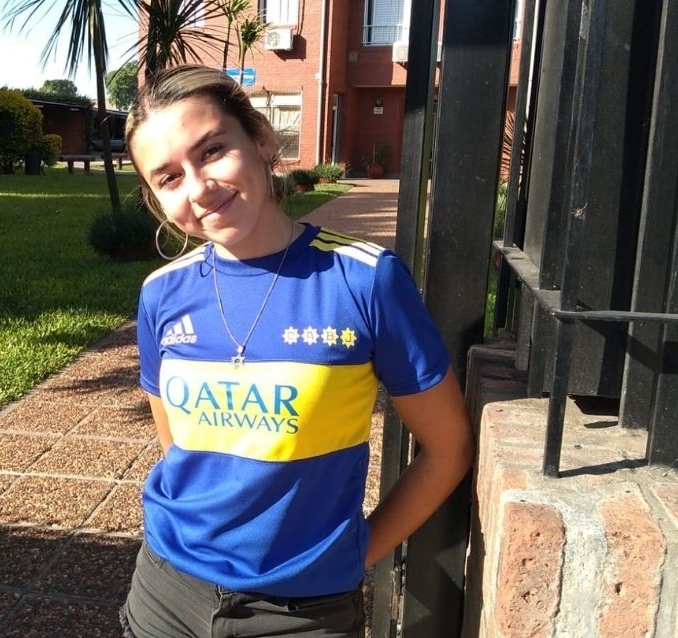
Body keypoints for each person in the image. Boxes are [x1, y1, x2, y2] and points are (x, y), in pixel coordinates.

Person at [120, 64, 474, 638]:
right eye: (169, 178)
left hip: (303, 612)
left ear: (261, 140)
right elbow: (177, 447)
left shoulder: (364, 280)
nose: (199, 188)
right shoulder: (162, 293)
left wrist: (354, 553)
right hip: (167, 591)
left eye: (212, 151)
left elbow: (448, 446)